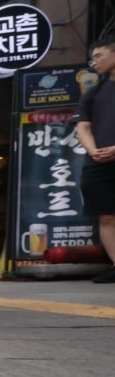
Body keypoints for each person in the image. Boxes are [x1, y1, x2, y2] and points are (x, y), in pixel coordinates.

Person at [77, 35, 115, 283]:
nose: (94, 62)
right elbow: (83, 127)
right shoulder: (93, 92)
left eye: (99, 56)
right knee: (106, 215)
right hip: (99, 163)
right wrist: (92, 150)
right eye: (92, 58)